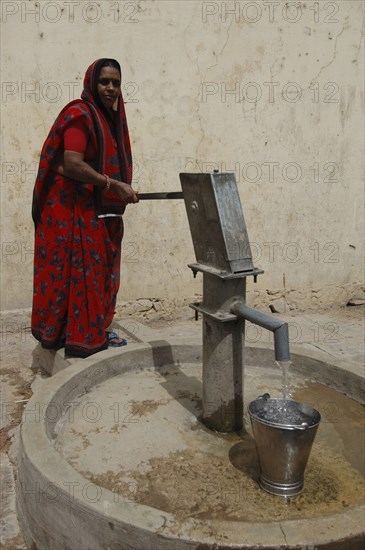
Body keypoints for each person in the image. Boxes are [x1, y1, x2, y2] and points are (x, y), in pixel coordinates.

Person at [31, 58, 139, 358]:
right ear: (92, 82)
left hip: (95, 210)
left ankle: (85, 330)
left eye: (116, 83)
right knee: (74, 271)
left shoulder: (108, 118)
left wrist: (114, 188)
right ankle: (71, 335)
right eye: (105, 81)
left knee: (96, 271)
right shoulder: (80, 115)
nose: (110, 88)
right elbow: (73, 163)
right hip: (70, 212)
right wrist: (113, 185)